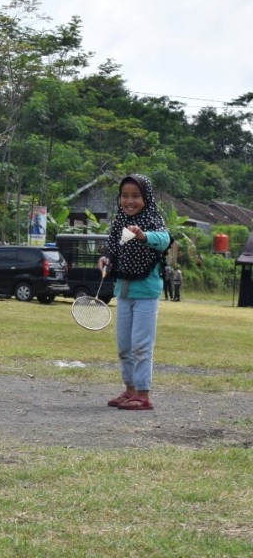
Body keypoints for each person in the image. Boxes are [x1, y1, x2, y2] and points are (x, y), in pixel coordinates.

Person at [98, 174, 171, 411]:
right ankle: (129, 389)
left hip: (146, 292)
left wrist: (143, 235)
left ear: (146, 197)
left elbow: (164, 239)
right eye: (125, 196)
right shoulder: (119, 222)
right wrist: (106, 261)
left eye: (136, 196)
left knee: (141, 344)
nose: (130, 201)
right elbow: (114, 251)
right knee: (124, 346)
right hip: (124, 291)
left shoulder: (152, 218)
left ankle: (143, 394)